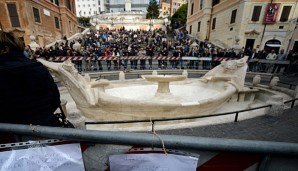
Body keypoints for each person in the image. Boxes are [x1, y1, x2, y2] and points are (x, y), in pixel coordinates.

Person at [0, 31, 72, 128]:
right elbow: (55, 100)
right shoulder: (38, 67)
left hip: (10, 134)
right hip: (46, 127)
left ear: (5, 49)